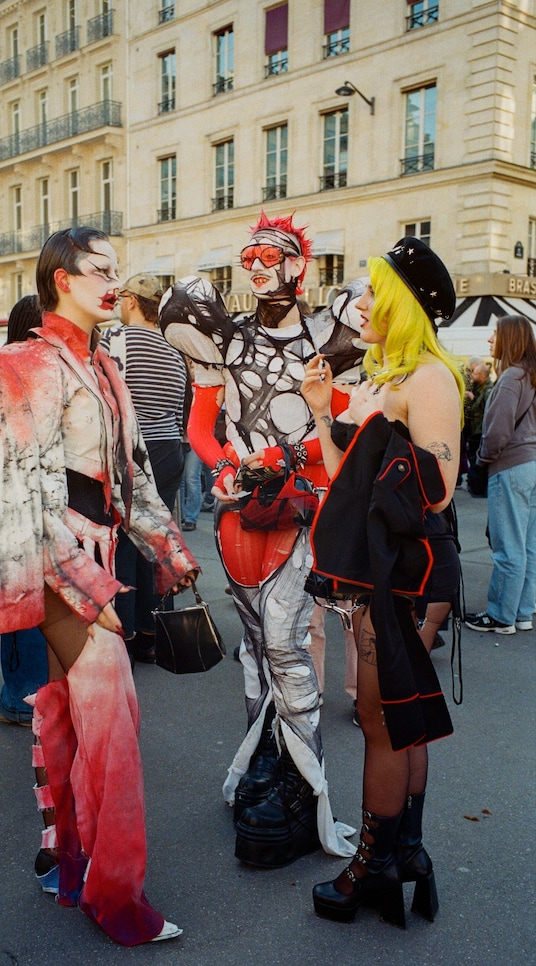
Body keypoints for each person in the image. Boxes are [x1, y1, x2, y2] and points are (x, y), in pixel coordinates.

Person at [0, 227, 199, 946]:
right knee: (113, 721)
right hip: (59, 560)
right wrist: (82, 581)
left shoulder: (102, 363)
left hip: (95, 553)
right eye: (99, 269)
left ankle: (72, 862)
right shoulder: (23, 362)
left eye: (116, 269)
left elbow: (128, 474)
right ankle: (115, 897)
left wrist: (168, 550)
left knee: (70, 715)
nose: (113, 280)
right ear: (61, 277)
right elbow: (2, 493)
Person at [160, 212, 362, 867]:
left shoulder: (335, 335)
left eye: (267, 255)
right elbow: (200, 422)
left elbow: (348, 420)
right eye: (247, 257)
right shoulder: (227, 338)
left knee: (285, 643)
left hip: (305, 511)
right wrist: (225, 466)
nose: (254, 266)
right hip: (238, 515)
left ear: (299, 265)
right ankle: (264, 768)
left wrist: (283, 457)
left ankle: (304, 787)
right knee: (255, 646)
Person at [301, 236, 464, 926]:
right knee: (397, 720)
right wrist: (321, 409)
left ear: (402, 304)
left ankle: (374, 866)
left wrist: (380, 430)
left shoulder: (426, 377)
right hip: (379, 574)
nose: (361, 303)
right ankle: (407, 853)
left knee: (380, 722)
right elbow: (346, 485)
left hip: (401, 578)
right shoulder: (390, 379)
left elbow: (440, 491)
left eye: (374, 292)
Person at [102, 273, 189, 664]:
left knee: (124, 536)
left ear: (132, 301)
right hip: (170, 447)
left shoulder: (117, 340)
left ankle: (126, 630)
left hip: (135, 449)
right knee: (156, 539)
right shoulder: (174, 349)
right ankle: (154, 630)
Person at [0, 296, 49, 728]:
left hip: (14, 507)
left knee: (21, 607)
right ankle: (56, 695)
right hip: (69, 508)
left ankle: (20, 698)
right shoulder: (79, 368)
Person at [465, 315, 536, 634]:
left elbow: (495, 434)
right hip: (532, 465)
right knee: (529, 546)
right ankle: (522, 612)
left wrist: (481, 462)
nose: (490, 339)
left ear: (509, 338)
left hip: (510, 466)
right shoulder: (531, 377)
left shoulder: (510, 378)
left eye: (495, 334)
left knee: (508, 545)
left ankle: (500, 615)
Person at [465, 361, 493, 496]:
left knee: (478, 462)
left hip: (480, 431)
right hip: (475, 430)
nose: (472, 375)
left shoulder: (488, 391)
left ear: (482, 376)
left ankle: (479, 488)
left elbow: (489, 411)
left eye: (475, 373)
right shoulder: (477, 388)